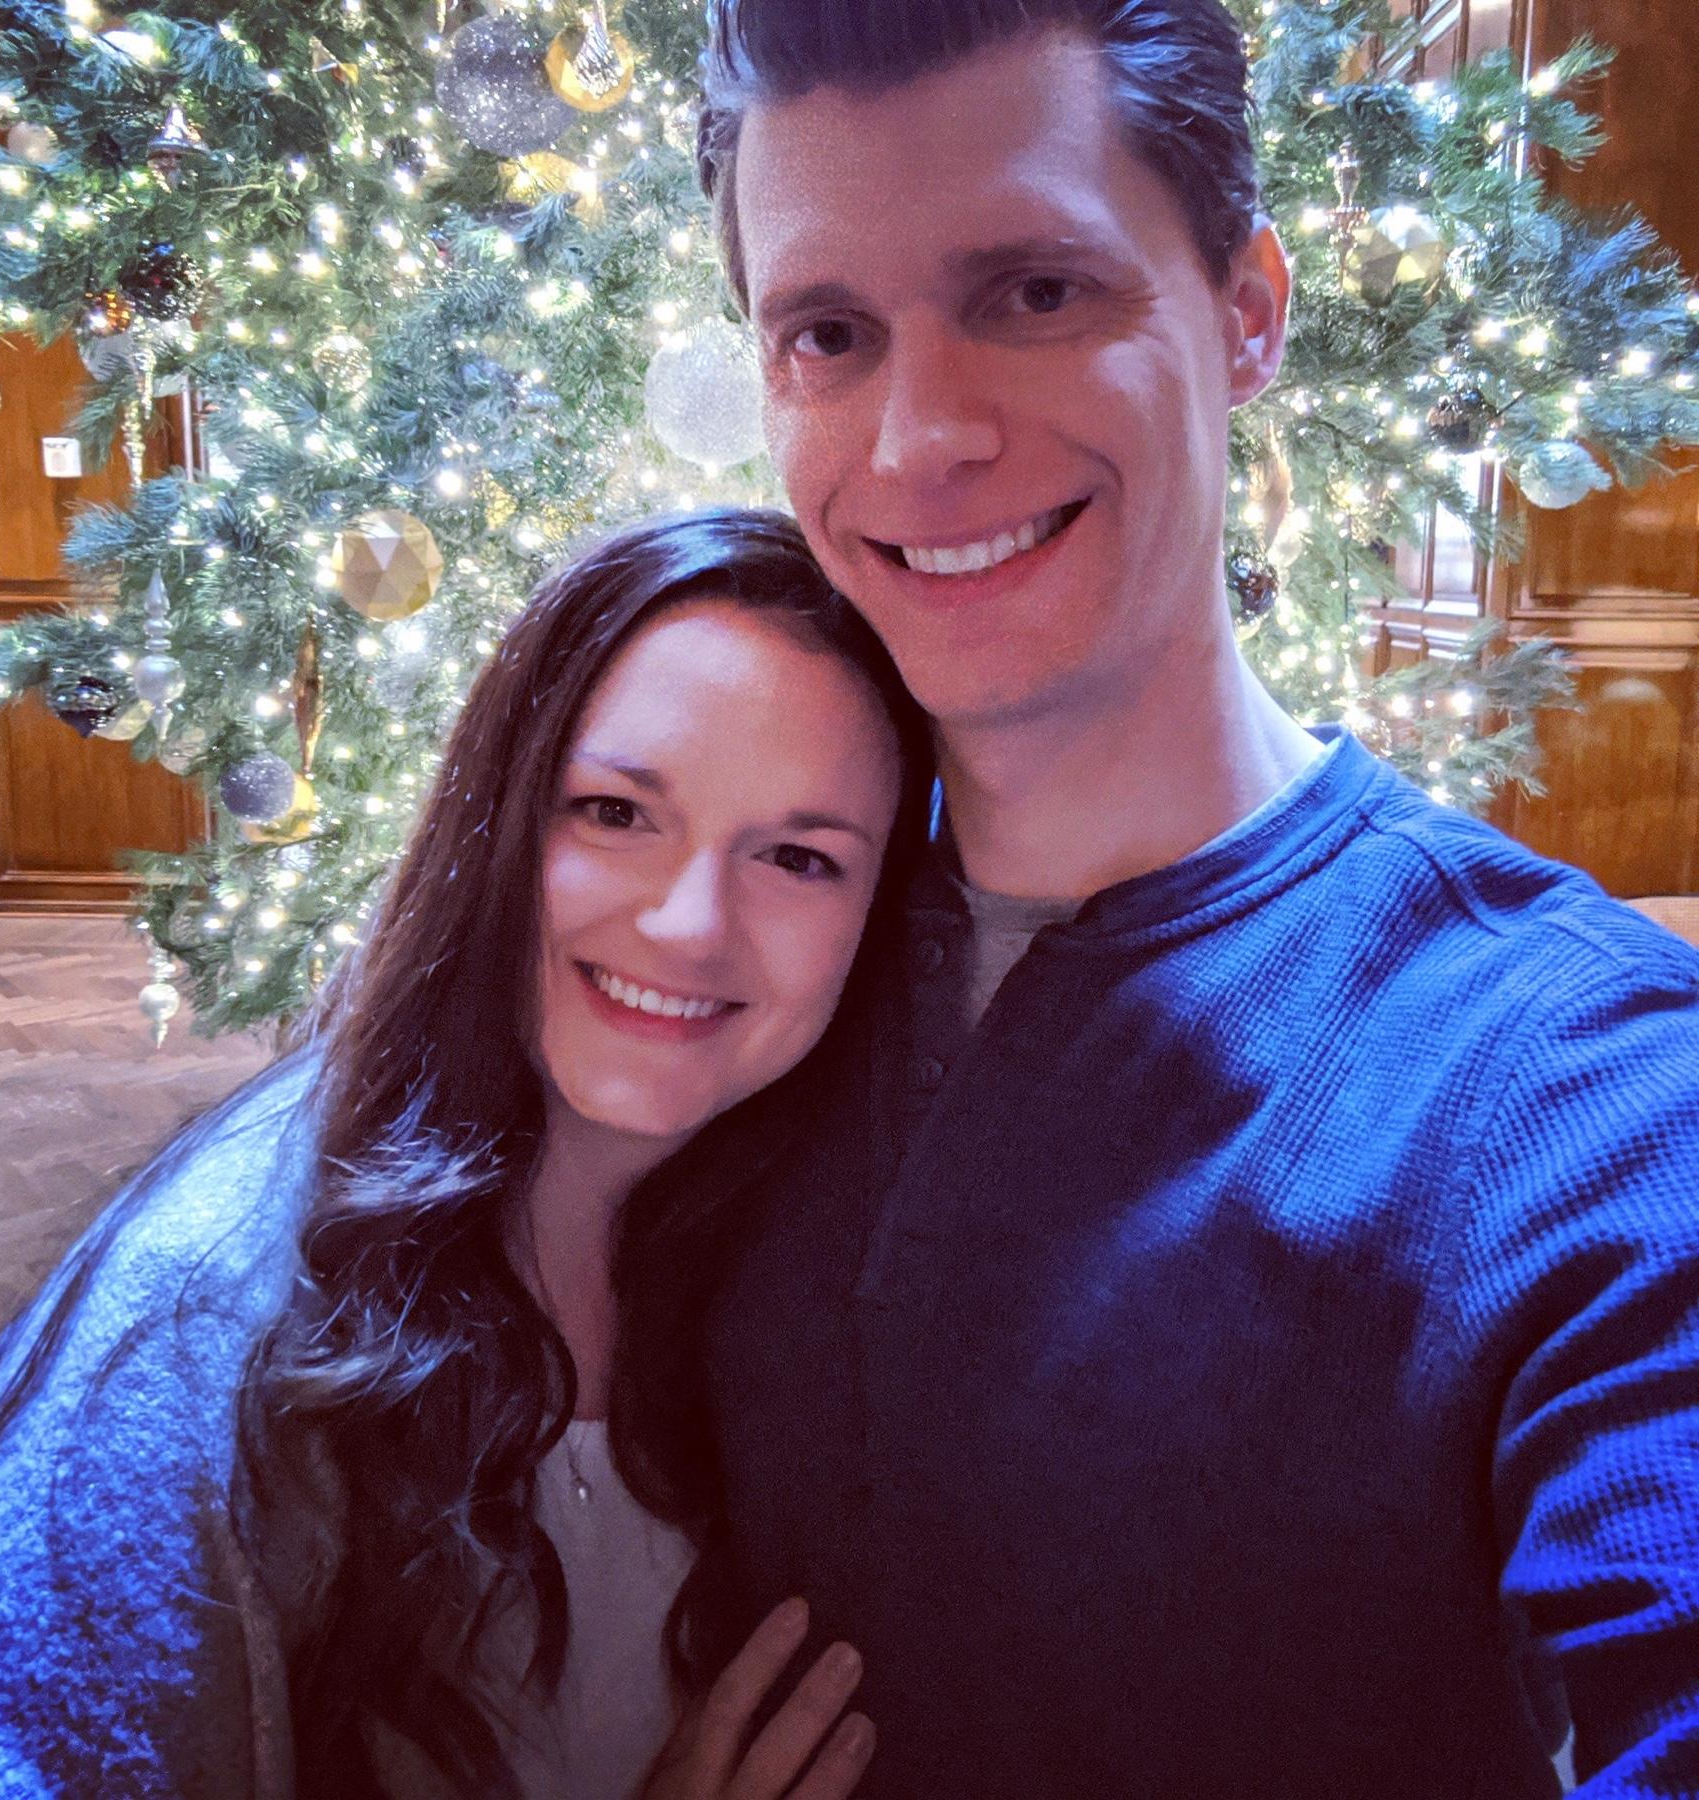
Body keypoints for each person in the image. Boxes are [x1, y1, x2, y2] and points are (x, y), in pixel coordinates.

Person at [692, 4, 1699, 1796]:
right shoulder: (705, 959)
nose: (918, 442)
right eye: (829, 335)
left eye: (1034, 293)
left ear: (1247, 315)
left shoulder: (1576, 1082)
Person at [0, 509, 933, 1799]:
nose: (690, 922)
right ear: (497, 818)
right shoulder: (185, 1375)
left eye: (799, 858)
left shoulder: (818, 1250)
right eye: (616, 812)